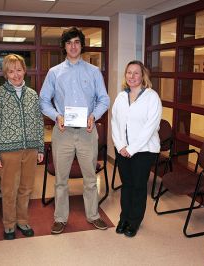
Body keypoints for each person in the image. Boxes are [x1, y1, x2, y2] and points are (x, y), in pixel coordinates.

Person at [40, 27, 110, 234]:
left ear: (81, 46)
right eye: (69, 42)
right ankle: (60, 218)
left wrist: (93, 116)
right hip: (63, 133)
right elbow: (43, 101)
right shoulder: (54, 73)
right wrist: (56, 116)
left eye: (77, 42)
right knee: (61, 179)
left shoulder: (93, 71)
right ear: (64, 46)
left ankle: (93, 215)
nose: (73, 46)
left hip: (88, 132)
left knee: (90, 178)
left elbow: (104, 99)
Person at [0, 54, 44, 240]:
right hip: (8, 152)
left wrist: (41, 148)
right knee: (9, 189)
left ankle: (22, 220)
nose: (16, 74)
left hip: (31, 150)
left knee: (26, 188)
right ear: (5, 74)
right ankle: (9, 224)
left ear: (24, 71)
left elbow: (39, 122)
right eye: (11, 71)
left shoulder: (32, 95)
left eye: (19, 70)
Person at [111, 60, 162, 237]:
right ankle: (123, 218)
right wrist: (120, 146)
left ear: (143, 76)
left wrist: (131, 148)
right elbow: (115, 123)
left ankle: (134, 221)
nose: (132, 76)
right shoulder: (120, 97)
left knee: (139, 187)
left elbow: (150, 127)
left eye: (136, 73)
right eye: (129, 72)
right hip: (123, 150)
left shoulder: (151, 97)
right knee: (127, 186)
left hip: (144, 150)